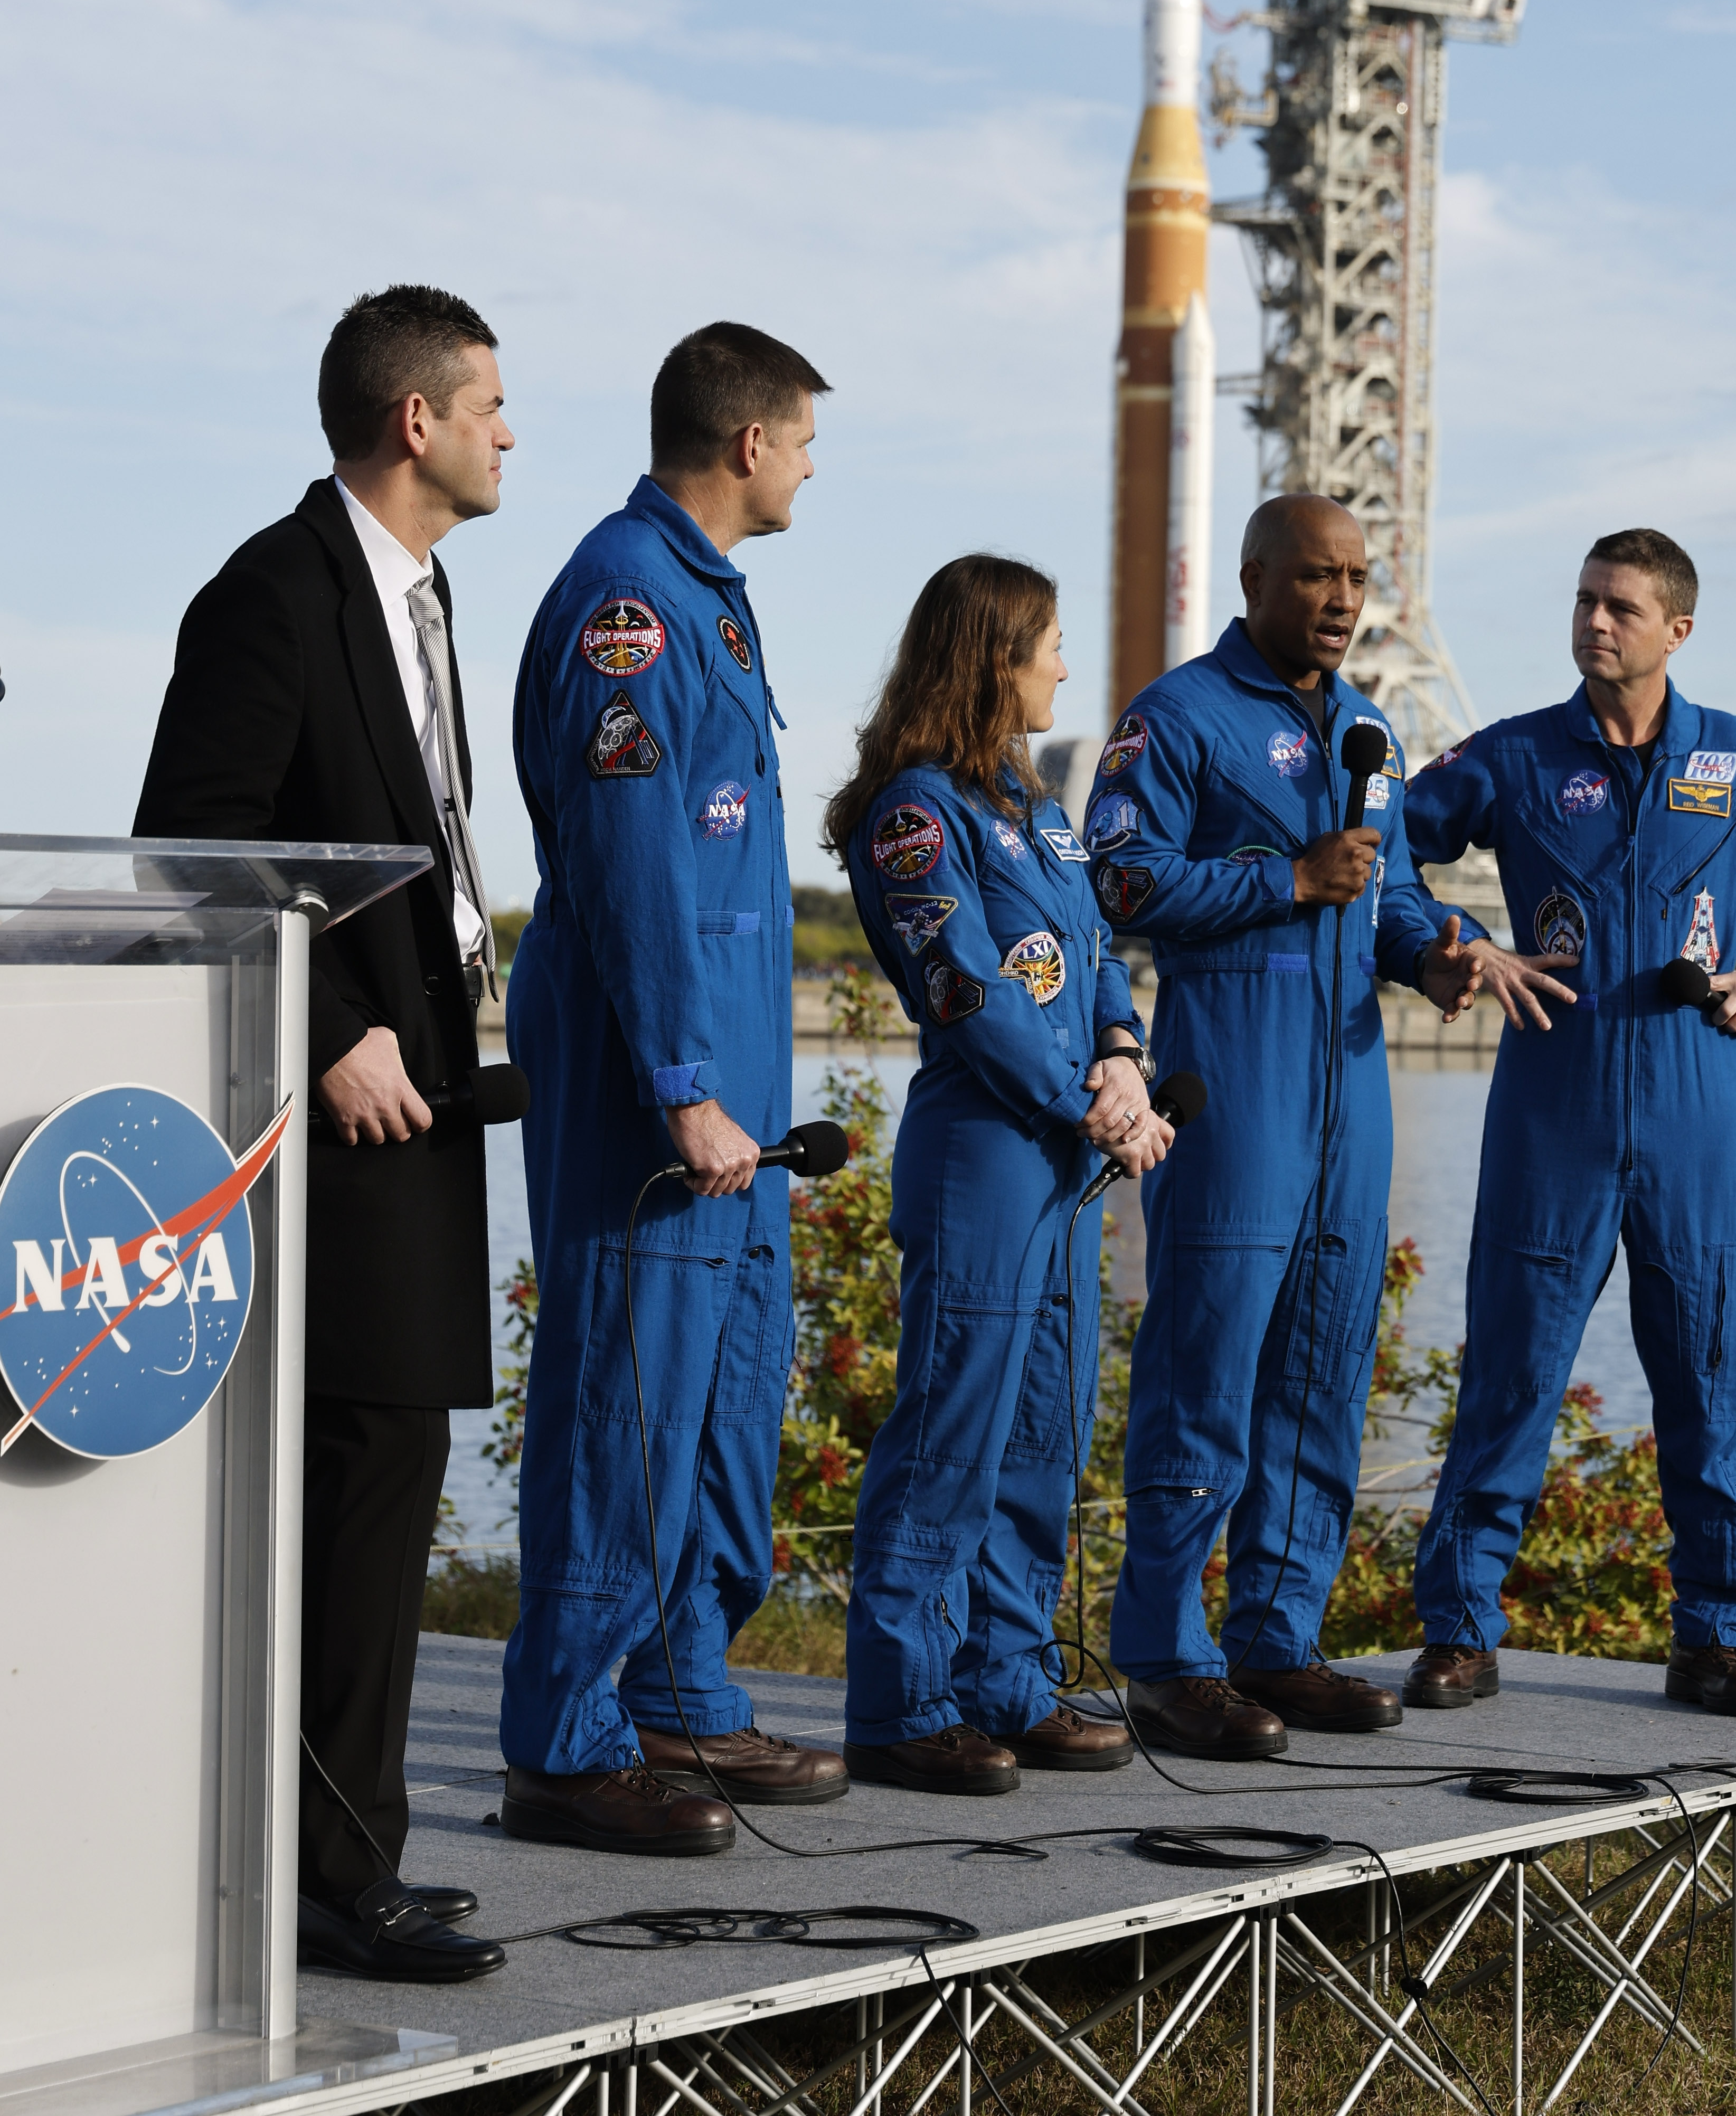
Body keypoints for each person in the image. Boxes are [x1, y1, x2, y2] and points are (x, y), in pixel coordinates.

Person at [134, 283, 513, 1985]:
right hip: (325, 1117)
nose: (513, 433)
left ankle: (347, 1862)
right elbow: (187, 850)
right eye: (492, 404)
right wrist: (331, 1023)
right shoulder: (271, 596)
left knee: (391, 1483)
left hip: (426, 1105)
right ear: (414, 420)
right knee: (348, 1486)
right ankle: (308, 1883)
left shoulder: (428, 599)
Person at [1399, 527, 1736, 1715]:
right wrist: (1454, 944)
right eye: (1581, 600)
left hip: (1696, 1108)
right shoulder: (1513, 755)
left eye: (1619, 606)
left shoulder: (1733, 757)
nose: (1593, 622)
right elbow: (1381, 851)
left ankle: (1714, 1633)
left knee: (1705, 1374)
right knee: (1510, 1373)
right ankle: (1460, 1627)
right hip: (1549, 1107)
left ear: (1676, 628)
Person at [1100, 495, 1524, 1754]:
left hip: (1352, 1097)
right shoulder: (1175, 717)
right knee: (1206, 1369)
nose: (1340, 599)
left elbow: (1386, 887)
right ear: (1253, 578)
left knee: (1322, 1371)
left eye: (1355, 578)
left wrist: (1435, 957)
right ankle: (1165, 1656)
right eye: (1315, 577)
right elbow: (1118, 878)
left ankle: (1275, 1639)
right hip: (1232, 1088)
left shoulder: (1367, 728)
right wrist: (1281, 877)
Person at [498, 321, 846, 1850]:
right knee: (626, 1396)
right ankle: (564, 1744)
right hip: (664, 1080)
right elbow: (637, 872)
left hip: (738, 1096)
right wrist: (685, 1085)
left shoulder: (711, 602)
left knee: (718, 1395)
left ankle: (679, 1692)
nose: (813, 467)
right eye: (807, 441)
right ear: (751, 443)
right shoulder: (628, 604)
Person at [827, 558, 1172, 1792]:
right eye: (1050, 646)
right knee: (952, 1427)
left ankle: (1006, 1677)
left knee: (1042, 1425)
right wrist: (1097, 1107)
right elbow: (962, 988)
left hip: (1066, 1153)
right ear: (992, 657)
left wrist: (1124, 1057)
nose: (1065, 669)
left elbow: (1094, 962)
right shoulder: (916, 813)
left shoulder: (1036, 809)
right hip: (985, 1145)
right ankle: (903, 1701)